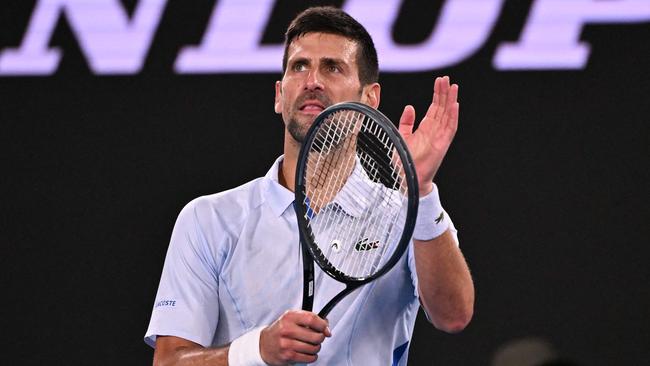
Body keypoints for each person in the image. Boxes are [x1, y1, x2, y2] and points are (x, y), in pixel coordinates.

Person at [145, 6, 474, 366]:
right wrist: (256, 350)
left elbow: (453, 315)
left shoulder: (404, 216)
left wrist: (422, 191)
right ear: (278, 94)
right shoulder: (208, 219)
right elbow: (169, 361)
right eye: (299, 66)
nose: (312, 80)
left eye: (333, 67)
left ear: (370, 97)